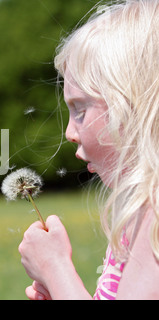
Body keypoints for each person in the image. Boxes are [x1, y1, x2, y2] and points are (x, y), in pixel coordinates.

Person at [18, 0, 159, 300]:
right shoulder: (142, 213)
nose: (69, 133)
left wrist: (56, 269)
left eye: (80, 110)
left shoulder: (155, 216)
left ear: (134, 106)